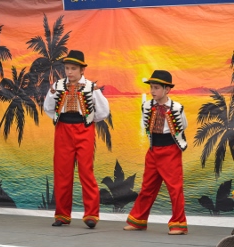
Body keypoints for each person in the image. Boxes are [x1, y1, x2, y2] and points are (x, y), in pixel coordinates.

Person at [43, 50, 110, 229]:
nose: (70, 72)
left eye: (74, 68)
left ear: (82, 70)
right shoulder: (57, 86)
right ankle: (62, 214)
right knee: (62, 172)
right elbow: (48, 107)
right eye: (67, 68)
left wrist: (87, 120)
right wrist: (60, 118)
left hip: (84, 129)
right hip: (63, 129)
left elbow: (103, 111)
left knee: (86, 172)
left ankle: (91, 214)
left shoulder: (90, 87)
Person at [123, 70, 188, 235]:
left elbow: (183, 125)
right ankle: (138, 220)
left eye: (156, 87)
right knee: (147, 187)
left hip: (170, 150)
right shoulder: (146, 106)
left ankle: (178, 224)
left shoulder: (177, 108)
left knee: (175, 188)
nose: (152, 91)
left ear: (167, 90)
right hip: (153, 151)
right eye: (151, 87)